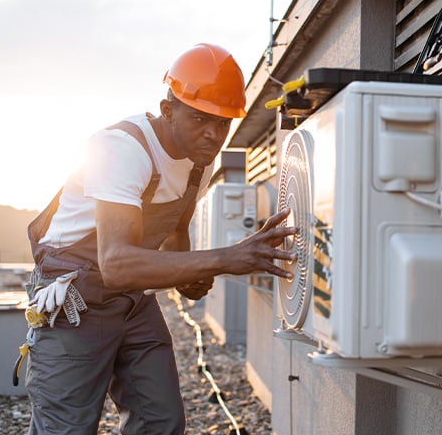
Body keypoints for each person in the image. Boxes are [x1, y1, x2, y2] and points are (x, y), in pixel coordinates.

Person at [21, 43, 296, 434]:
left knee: (161, 421)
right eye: (201, 119)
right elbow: (116, 264)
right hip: (75, 300)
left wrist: (188, 278)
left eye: (223, 124)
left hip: (134, 301)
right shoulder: (123, 150)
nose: (213, 135)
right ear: (168, 110)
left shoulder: (198, 159)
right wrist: (224, 258)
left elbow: (175, 231)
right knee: (65, 427)